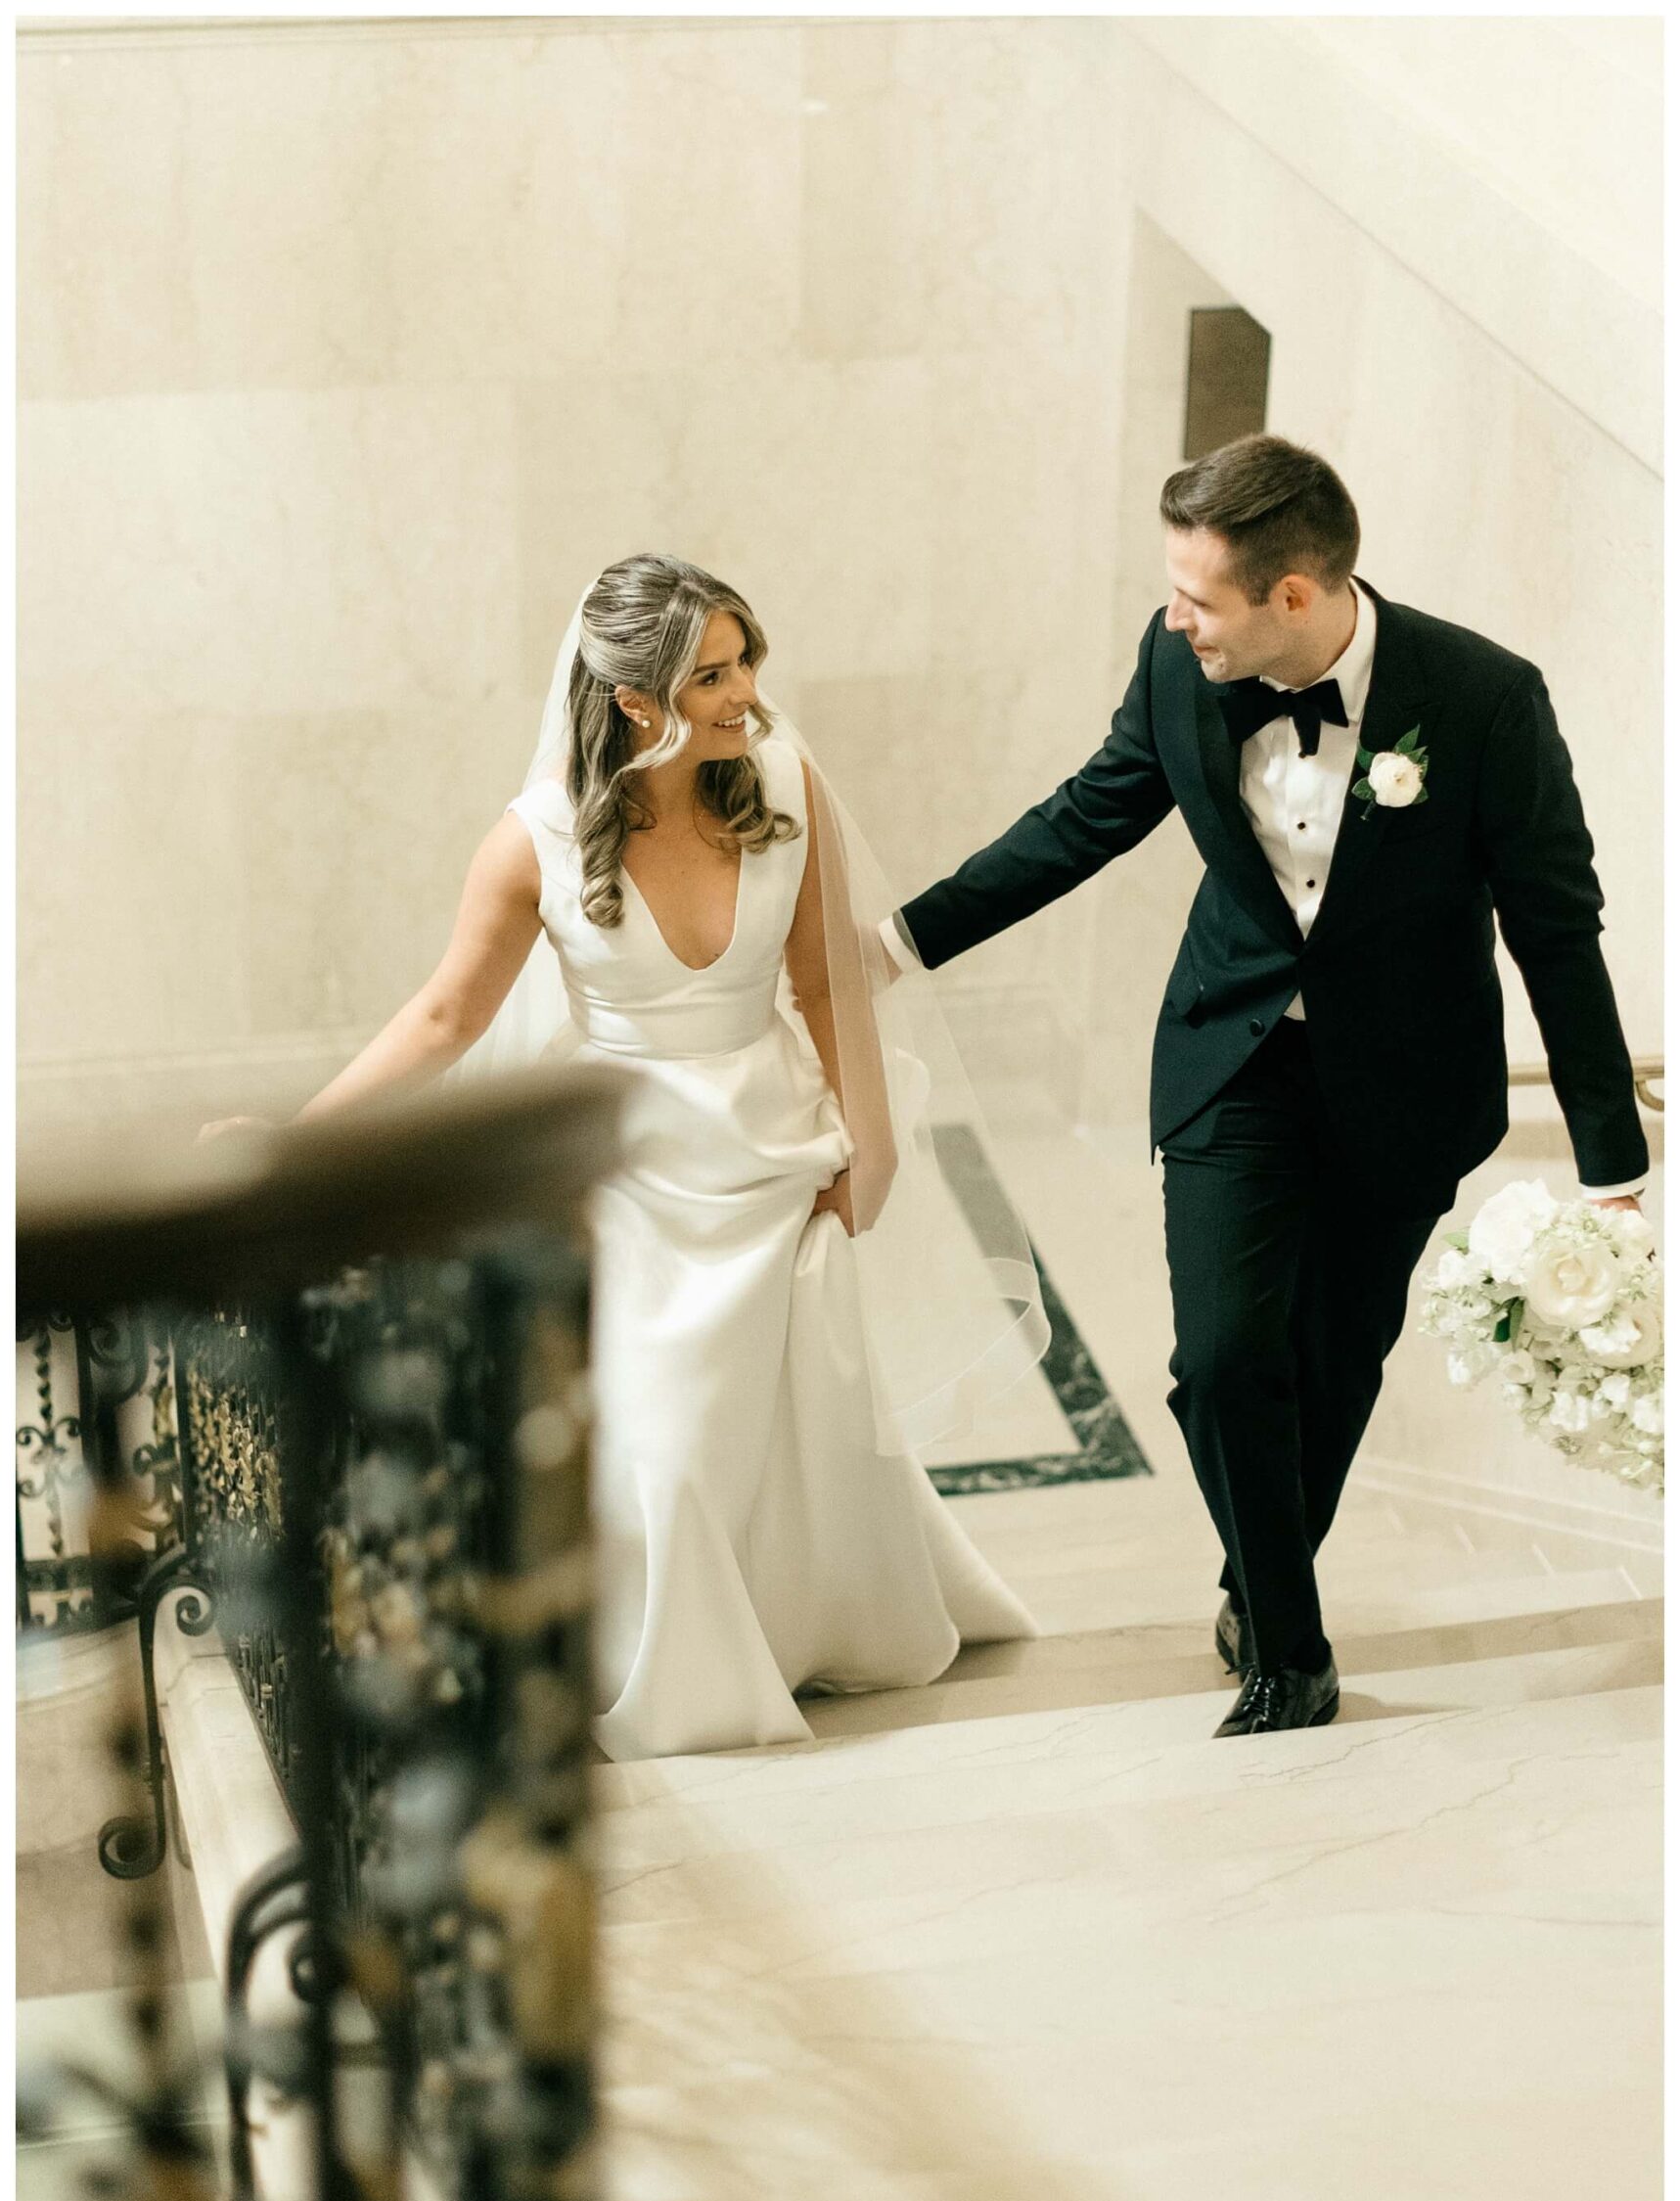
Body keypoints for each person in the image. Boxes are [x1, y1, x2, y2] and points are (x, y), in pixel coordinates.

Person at [207, 553, 1044, 1761]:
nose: (747, 689)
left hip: (775, 1157)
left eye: (747, 657)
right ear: (636, 698)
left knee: (788, 1430)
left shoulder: (782, 784)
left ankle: (809, 1624)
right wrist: (296, 1141)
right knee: (668, 1444)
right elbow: (447, 1017)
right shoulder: (532, 843)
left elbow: (822, 981)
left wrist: (872, 1145)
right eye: (712, 672)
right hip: (633, 1179)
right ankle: (678, 1673)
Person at [883, 435, 1650, 1739]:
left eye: (1200, 596)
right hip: (1232, 1054)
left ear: (1292, 595)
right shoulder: (1177, 663)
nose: (1175, 617)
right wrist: (896, 942)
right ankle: (1289, 1652)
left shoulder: (1480, 698)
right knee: (1222, 1359)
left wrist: (1609, 1163)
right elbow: (1087, 815)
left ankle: (1258, 1582)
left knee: (1334, 1358)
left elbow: (1554, 925)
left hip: (1405, 1084)